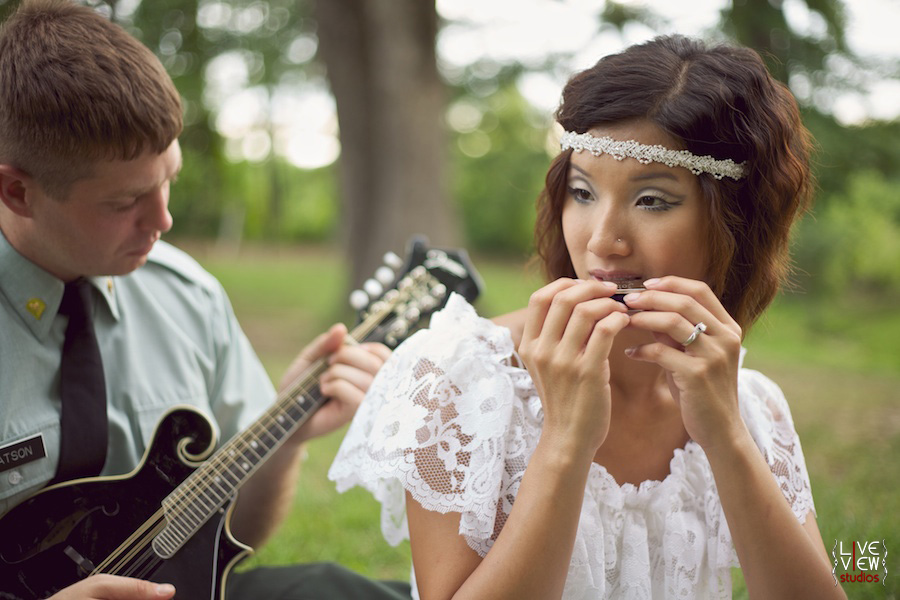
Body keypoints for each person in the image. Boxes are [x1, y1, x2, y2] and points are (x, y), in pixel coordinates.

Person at [329, 35, 847, 599]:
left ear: (735, 221)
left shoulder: (753, 403)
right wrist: (566, 441)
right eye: (582, 192)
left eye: (652, 200)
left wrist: (726, 435)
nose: (603, 242)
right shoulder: (460, 378)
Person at [0, 1, 409, 598]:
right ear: (16, 191)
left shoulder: (185, 296)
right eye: (123, 204)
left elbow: (229, 538)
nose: (163, 219)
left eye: (169, 177)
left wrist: (285, 437)